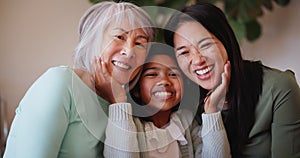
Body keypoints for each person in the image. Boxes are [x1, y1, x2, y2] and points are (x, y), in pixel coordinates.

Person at [3, 1, 155, 158]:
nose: (129, 51)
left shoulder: (120, 103)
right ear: (92, 38)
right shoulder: (60, 83)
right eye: (119, 37)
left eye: (139, 43)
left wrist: (119, 103)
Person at [164, 2, 300, 157]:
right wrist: (211, 112)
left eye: (205, 44)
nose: (197, 60)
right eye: (184, 52)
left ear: (226, 41)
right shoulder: (181, 105)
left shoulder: (279, 88)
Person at [103, 43, 231, 158]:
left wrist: (211, 111)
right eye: (152, 74)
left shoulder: (187, 122)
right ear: (136, 89)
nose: (164, 81)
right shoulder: (129, 125)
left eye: (173, 74)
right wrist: (119, 103)